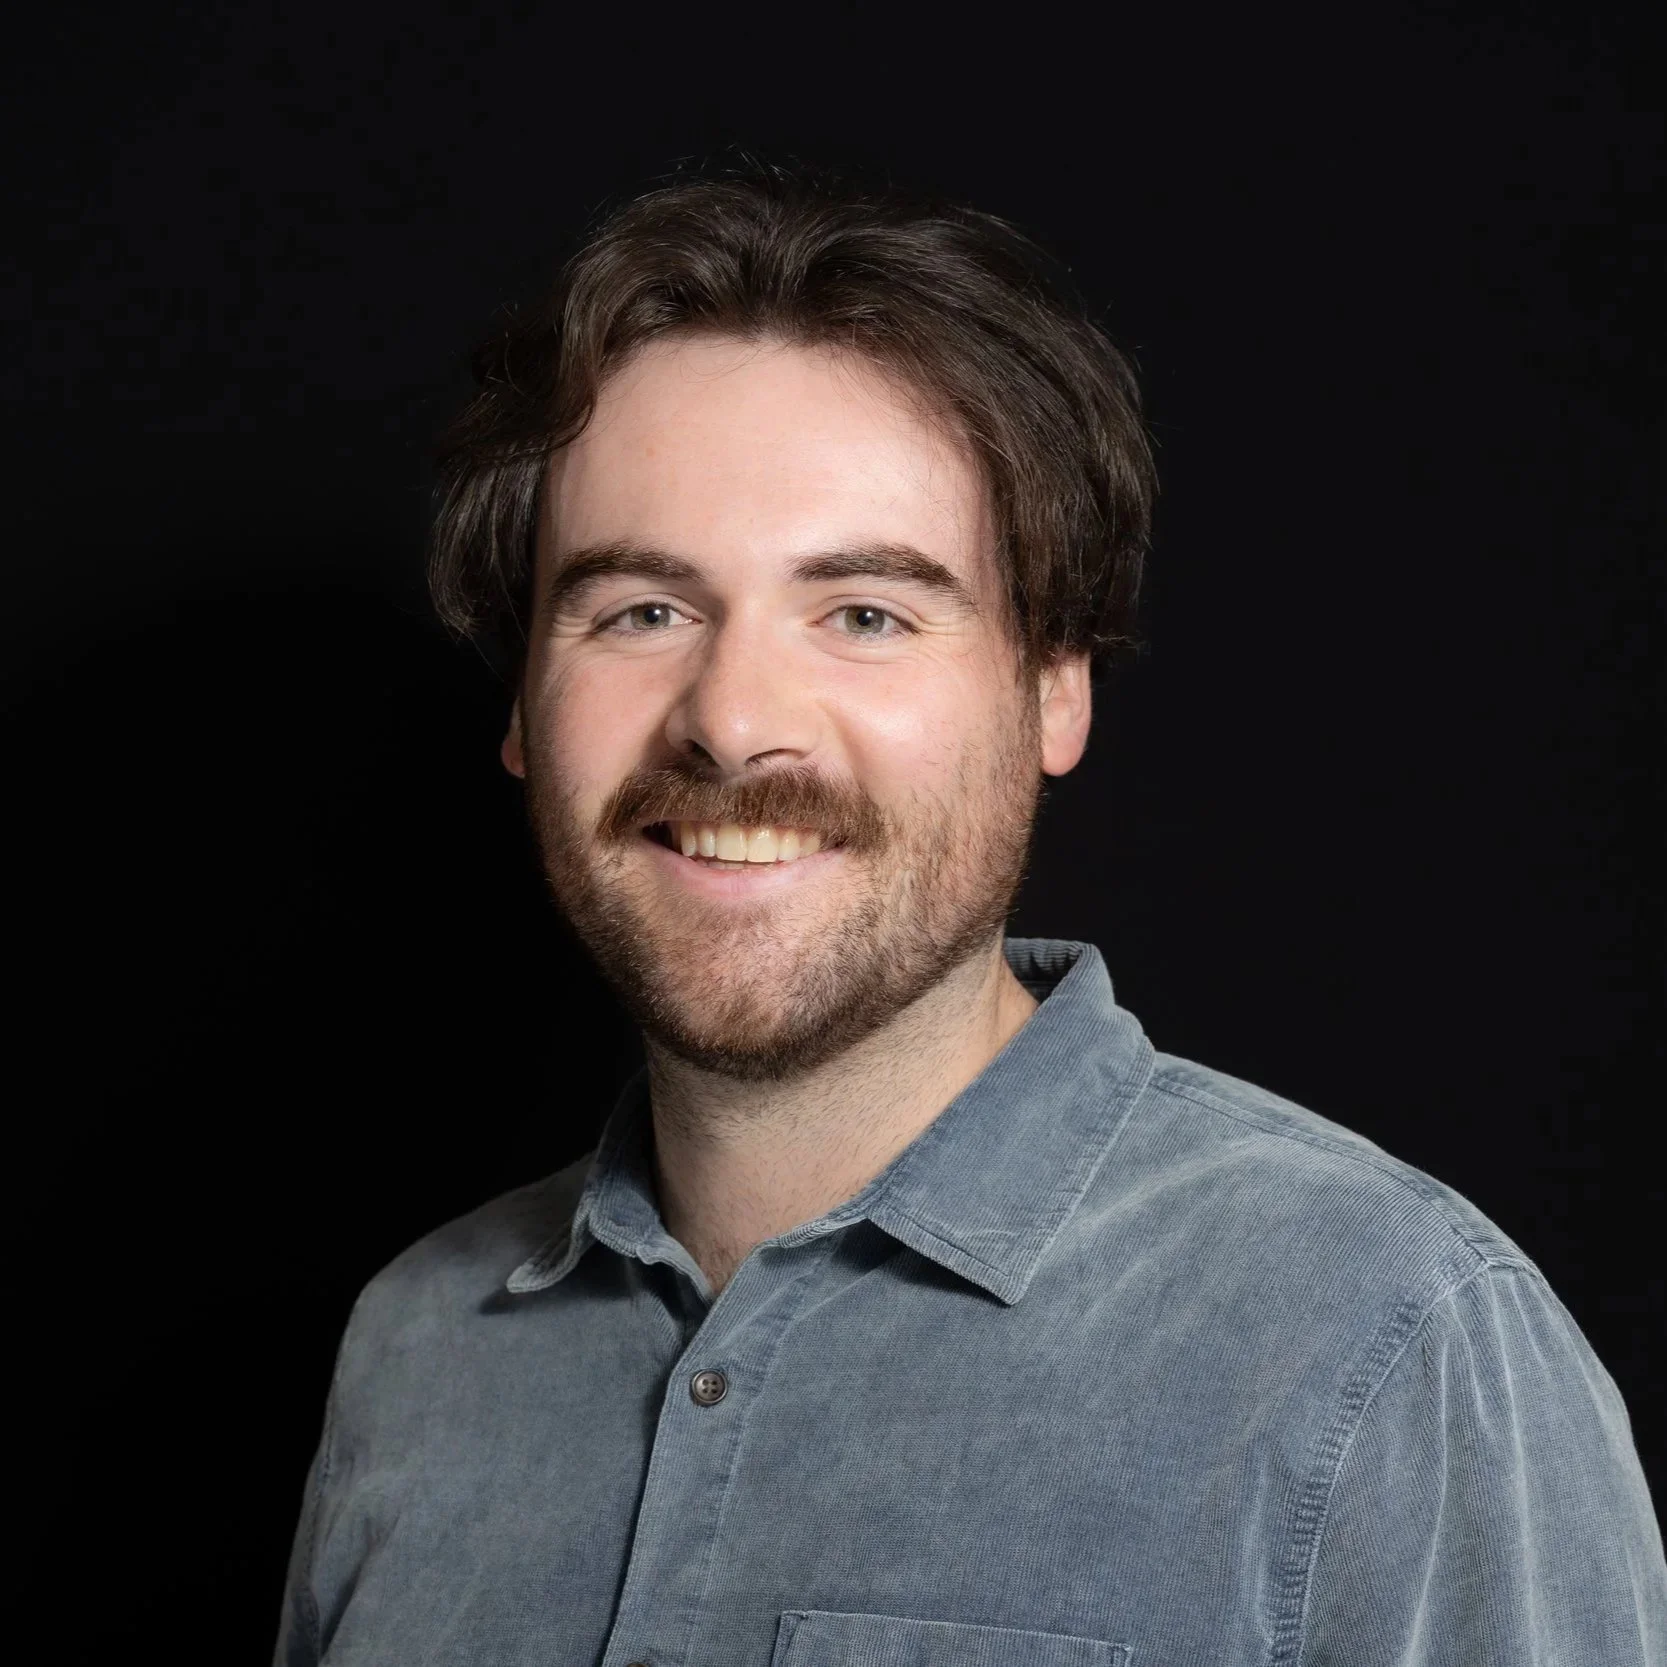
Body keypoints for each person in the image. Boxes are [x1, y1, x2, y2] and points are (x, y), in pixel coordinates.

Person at [274, 167, 1665, 1667]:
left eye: (865, 613)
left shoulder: (1389, 1348)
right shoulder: (418, 1348)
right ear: (523, 707)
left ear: (1054, 687)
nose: (732, 720)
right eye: (641, 612)